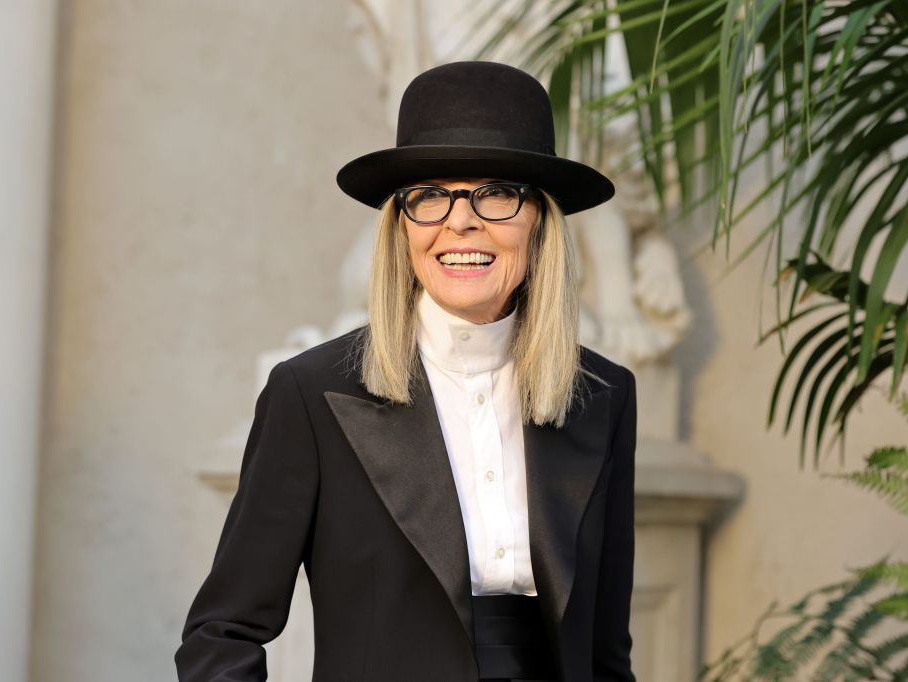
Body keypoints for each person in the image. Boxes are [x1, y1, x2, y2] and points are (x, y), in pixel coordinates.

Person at [176, 60, 637, 682]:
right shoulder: (311, 393)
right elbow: (222, 633)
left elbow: (606, 653)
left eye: (497, 193)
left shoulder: (603, 395)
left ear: (541, 223)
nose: (460, 221)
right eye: (430, 196)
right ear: (401, 227)